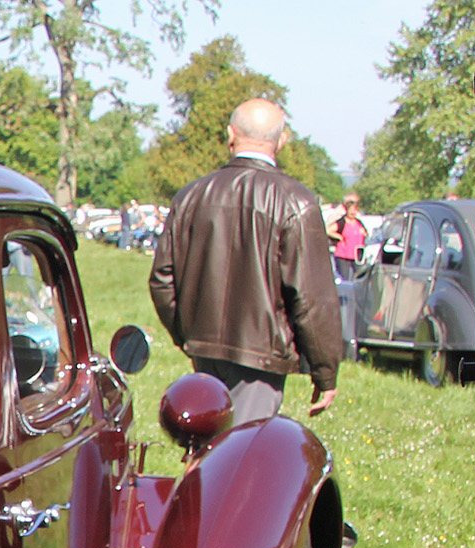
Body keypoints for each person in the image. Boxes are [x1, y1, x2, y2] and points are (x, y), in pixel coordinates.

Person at [150, 98, 340, 422]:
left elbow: (163, 280)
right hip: (262, 357)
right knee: (242, 455)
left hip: (204, 347)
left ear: (231, 134)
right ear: (282, 140)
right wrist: (325, 372)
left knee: (205, 443)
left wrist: (188, 334)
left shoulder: (190, 196)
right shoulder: (296, 201)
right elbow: (311, 297)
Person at [328, 193, 368, 276]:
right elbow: (328, 230)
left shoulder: (359, 223)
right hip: (343, 255)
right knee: (344, 277)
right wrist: (339, 236)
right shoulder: (342, 222)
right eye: (351, 210)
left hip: (357, 256)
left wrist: (364, 233)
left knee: (359, 276)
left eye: (355, 210)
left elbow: (366, 234)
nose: (353, 212)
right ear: (347, 210)